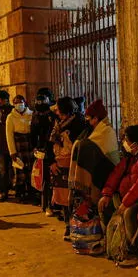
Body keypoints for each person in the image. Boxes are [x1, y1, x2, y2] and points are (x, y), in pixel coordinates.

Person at [98, 125, 138, 265]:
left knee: (129, 214)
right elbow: (117, 173)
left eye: (126, 141)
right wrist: (107, 193)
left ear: (135, 143)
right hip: (125, 195)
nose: (125, 143)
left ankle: (132, 252)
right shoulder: (132, 155)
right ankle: (112, 242)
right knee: (105, 205)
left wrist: (126, 203)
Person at [68, 99, 120, 222]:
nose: (88, 121)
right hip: (97, 170)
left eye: (89, 118)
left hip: (107, 172)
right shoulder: (95, 130)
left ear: (96, 118)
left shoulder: (106, 131)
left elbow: (99, 152)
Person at [49, 97, 89, 240]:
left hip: (73, 165)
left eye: (59, 109)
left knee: (74, 197)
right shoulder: (58, 123)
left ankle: (76, 225)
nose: (56, 112)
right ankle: (68, 225)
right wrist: (52, 162)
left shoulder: (79, 124)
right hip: (59, 164)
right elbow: (50, 143)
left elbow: (80, 147)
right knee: (63, 197)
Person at [31, 94, 57, 215]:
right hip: (42, 150)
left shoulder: (52, 116)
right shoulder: (35, 116)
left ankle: (51, 204)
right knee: (44, 178)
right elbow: (33, 133)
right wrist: (35, 147)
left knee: (51, 178)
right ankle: (46, 205)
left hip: (52, 148)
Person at [6, 95, 34, 202]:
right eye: (16, 102)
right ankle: (20, 193)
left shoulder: (30, 114)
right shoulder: (11, 117)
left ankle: (31, 192)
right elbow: (9, 135)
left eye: (21, 102)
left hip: (29, 144)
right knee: (20, 170)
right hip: (18, 145)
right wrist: (12, 151)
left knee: (30, 169)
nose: (19, 104)